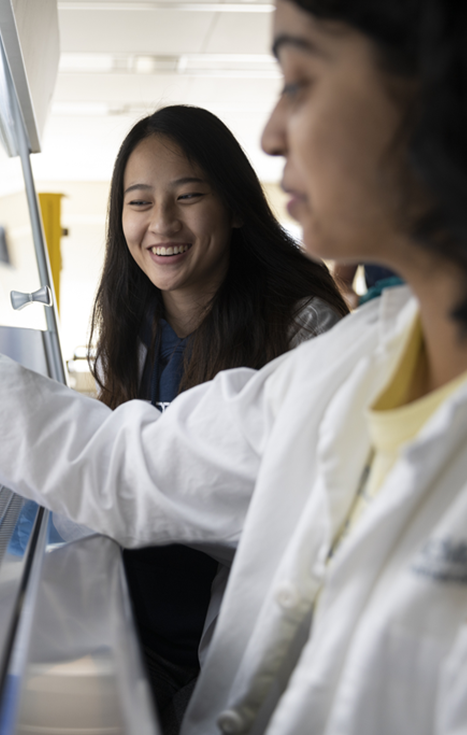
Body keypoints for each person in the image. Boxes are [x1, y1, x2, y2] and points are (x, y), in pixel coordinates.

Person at [0, 0, 467, 733]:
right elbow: (121, 461)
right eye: (139, 203)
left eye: (300, 80)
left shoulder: (345, 356)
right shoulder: (354, 364)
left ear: (433, 92)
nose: (271, 133)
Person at [90, 104, 347, 730]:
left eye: (188, 196)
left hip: (229, 654)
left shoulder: (301, 328)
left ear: (234, 207)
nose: (161, 224)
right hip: (137, 631)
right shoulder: (134, 326)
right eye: (140, 202)